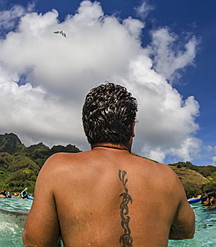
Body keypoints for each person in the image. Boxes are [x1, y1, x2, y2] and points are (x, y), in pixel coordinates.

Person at [23, 82, 195, 246]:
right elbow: (186, 232)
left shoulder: (58, 168)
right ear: (132, 128)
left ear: (87, 129)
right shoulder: (167, 176)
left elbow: (36, 242)